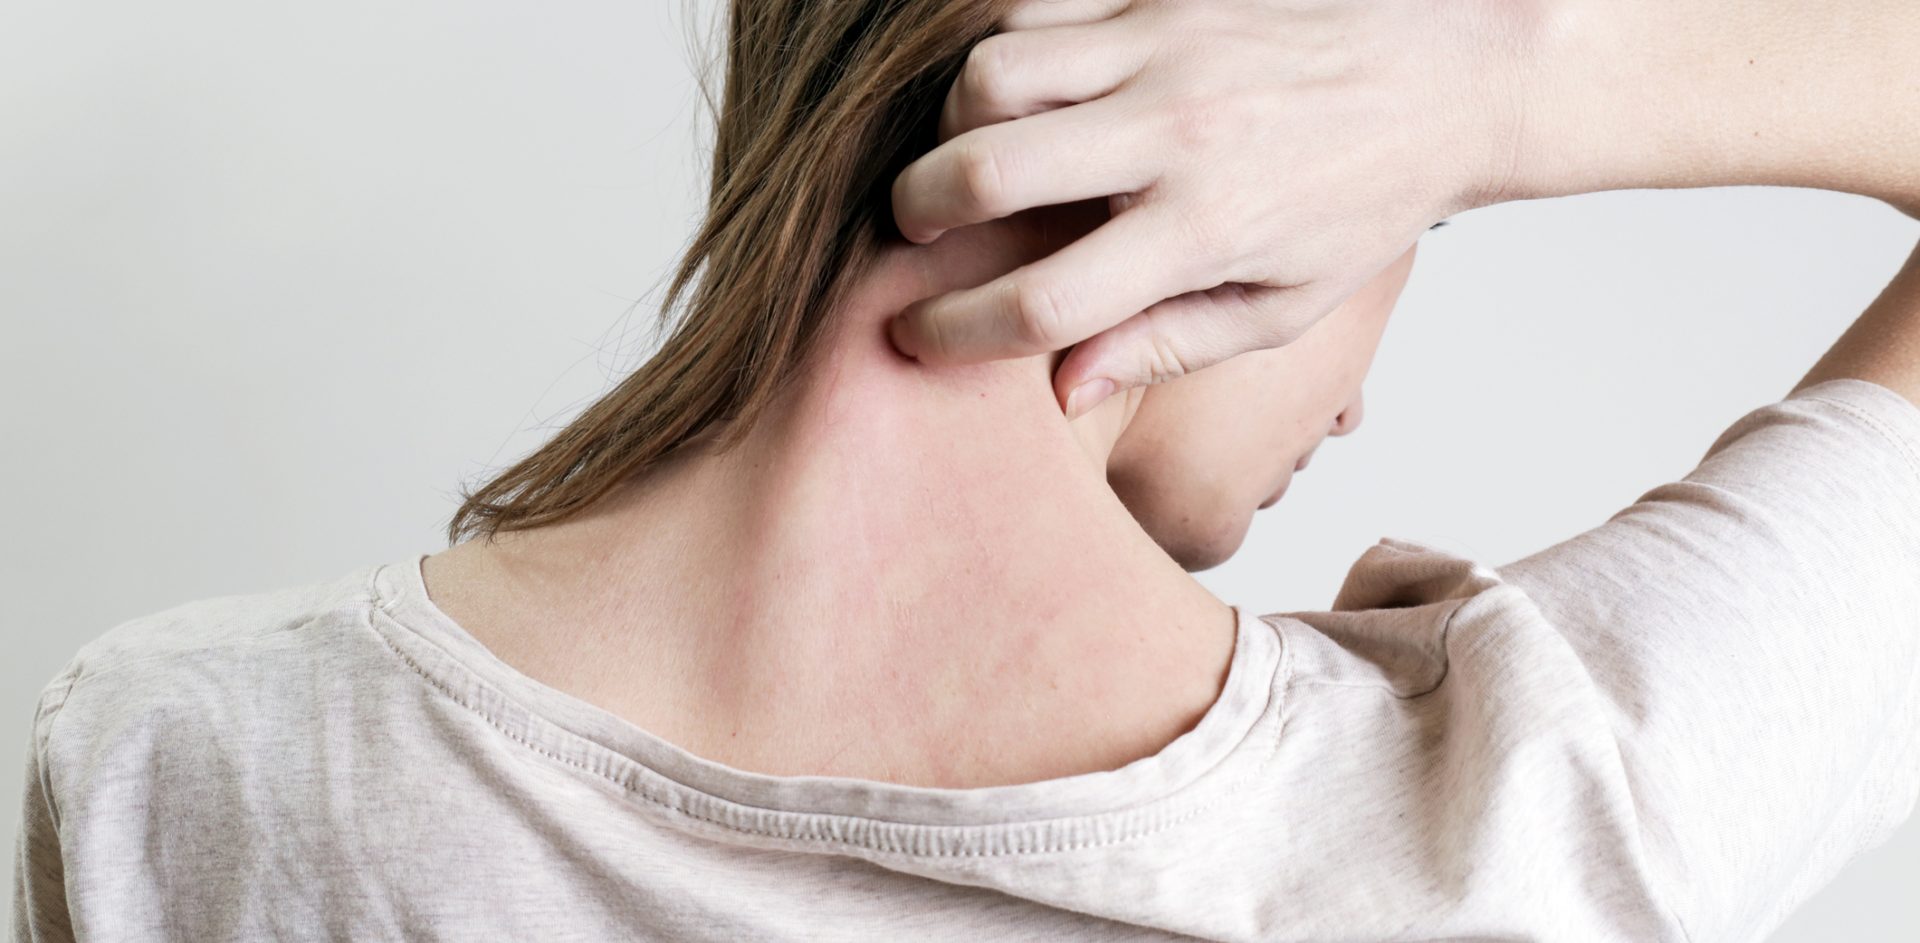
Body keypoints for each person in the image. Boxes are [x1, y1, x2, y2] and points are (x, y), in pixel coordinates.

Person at [12, 1, 1919, 941]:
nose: (1351, 412)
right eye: (1422, 218)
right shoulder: (1567, 809)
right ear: (1234, 120)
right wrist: (1495, 89)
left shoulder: (178, 765)